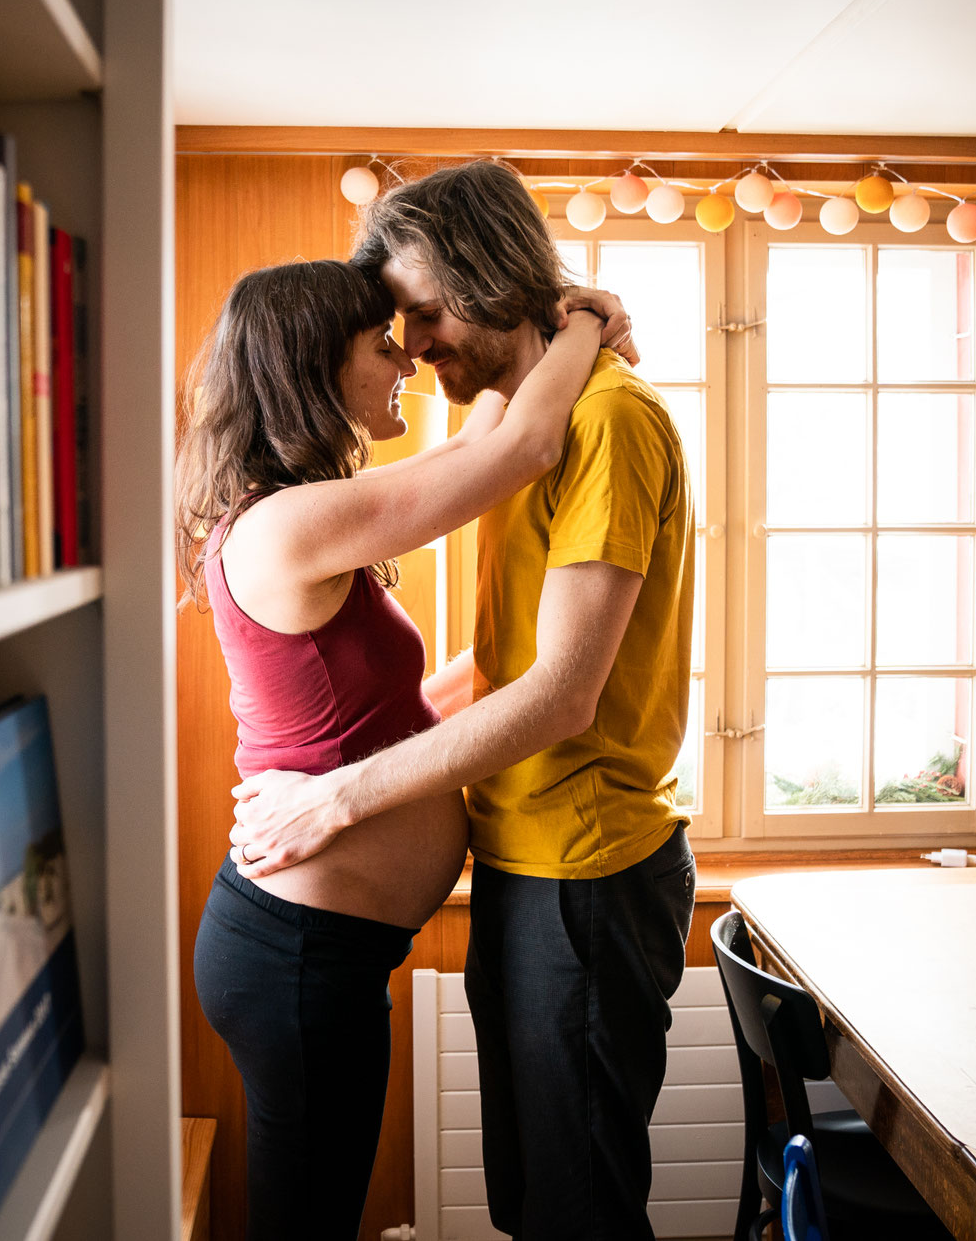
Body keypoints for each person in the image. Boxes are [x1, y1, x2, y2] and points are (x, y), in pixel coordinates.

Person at [229, 159, 699, 1241]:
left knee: (575, 1210)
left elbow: (560, 696)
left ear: (494, 281)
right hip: (524, 856)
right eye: (396, 326)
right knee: (530, 1199)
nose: (413, 344)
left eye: (427, 313)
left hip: (583, 865)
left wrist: (335, 797)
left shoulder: (609, 422)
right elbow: (498, 663)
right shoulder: (503, 421)